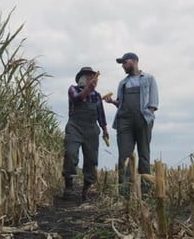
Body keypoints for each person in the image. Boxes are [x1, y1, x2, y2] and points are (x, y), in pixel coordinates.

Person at [104, 52, 159, 197]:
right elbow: (121, 104)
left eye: (124, 62)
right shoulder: (122, 83)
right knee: (124, 156)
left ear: (134, 62)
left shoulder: (149, 79)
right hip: (125, 121)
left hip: (143, 120)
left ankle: (145, 191)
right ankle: (124, 192)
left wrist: (148, 114)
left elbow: (153, 102)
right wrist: (112, 102)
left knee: (144, 154)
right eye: (121, 63)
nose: (122, 65)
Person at [62, 66, 109, 201]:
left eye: (93, 77)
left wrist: (105, 130)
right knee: (71, 154)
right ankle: (69, 187)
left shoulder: (97, 96)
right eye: (89, 77)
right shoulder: (73, 89)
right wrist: (89, 89)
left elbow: (101, 114)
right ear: (81, 79)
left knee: (91, 159)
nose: (92, 79)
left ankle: (86, 191)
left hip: (91, 129)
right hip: (75, 126)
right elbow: (77, 99)